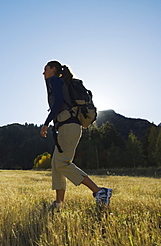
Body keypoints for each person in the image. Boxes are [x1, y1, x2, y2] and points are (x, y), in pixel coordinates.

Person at [40, 61, 112, 209]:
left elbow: (58, 102)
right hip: (68, 126)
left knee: (62, 163)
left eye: (45, 69)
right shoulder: (62, 82)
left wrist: (46, 123)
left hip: (68, 126)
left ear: (53, 69)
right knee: (56, 164)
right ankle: (58, 203)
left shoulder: (54, 80)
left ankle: (100, 192)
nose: (43, 73)